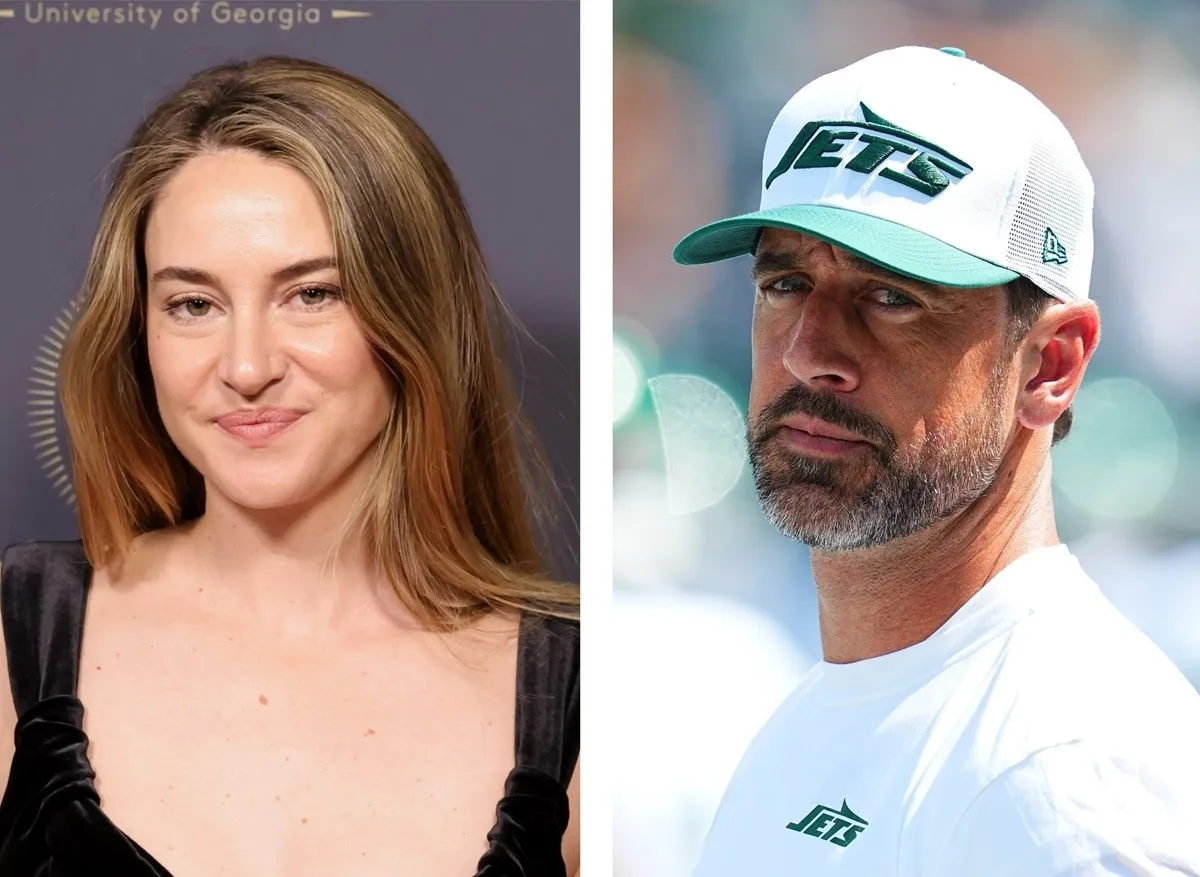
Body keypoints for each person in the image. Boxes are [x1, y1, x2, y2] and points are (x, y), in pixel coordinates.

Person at [0, 56, 579, 876]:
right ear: (138, 334)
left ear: (411, 311)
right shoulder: (14, 640)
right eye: (193, 304)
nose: (246, 365)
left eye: (311, 293)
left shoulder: (578, 700)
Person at [673, 45, 1200, 875]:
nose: (812, 352)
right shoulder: (820, 714)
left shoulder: (1062, 779)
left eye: (892, 298)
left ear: (1050, 363)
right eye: (784, 284)